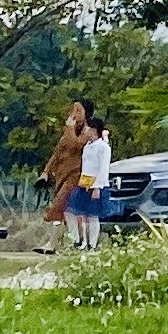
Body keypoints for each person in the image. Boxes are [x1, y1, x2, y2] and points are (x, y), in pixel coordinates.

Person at [52, 100, 113, 250]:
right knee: (72, 211)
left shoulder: (103, 147)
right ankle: (77, 240)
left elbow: (103, 168)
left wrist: (97, 187)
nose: (88, 133)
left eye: (91, 130)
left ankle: (92, 244)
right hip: (84, 183)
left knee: (92, 216)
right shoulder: (88, 146)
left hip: (96, 185)